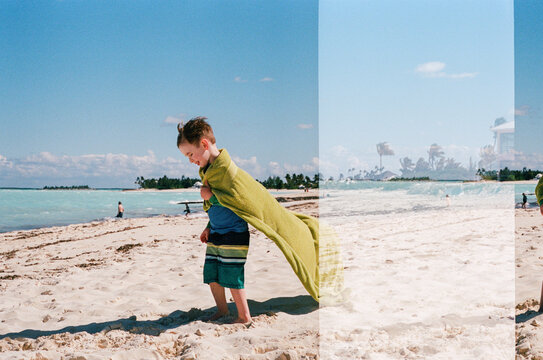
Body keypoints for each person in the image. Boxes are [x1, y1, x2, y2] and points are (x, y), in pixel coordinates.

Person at [177, 117, 251, 325]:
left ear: (204, 144)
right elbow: (217, 207)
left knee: (232, 273)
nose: (190, 160)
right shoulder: (210, 171)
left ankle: (244, 316)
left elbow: (237, 199)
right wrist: (209, 226)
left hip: (234, 232)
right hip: (217, 231)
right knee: (213, 273)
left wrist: (211, 197)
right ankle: (222, 310)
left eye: (190, 154)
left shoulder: (226, 169)